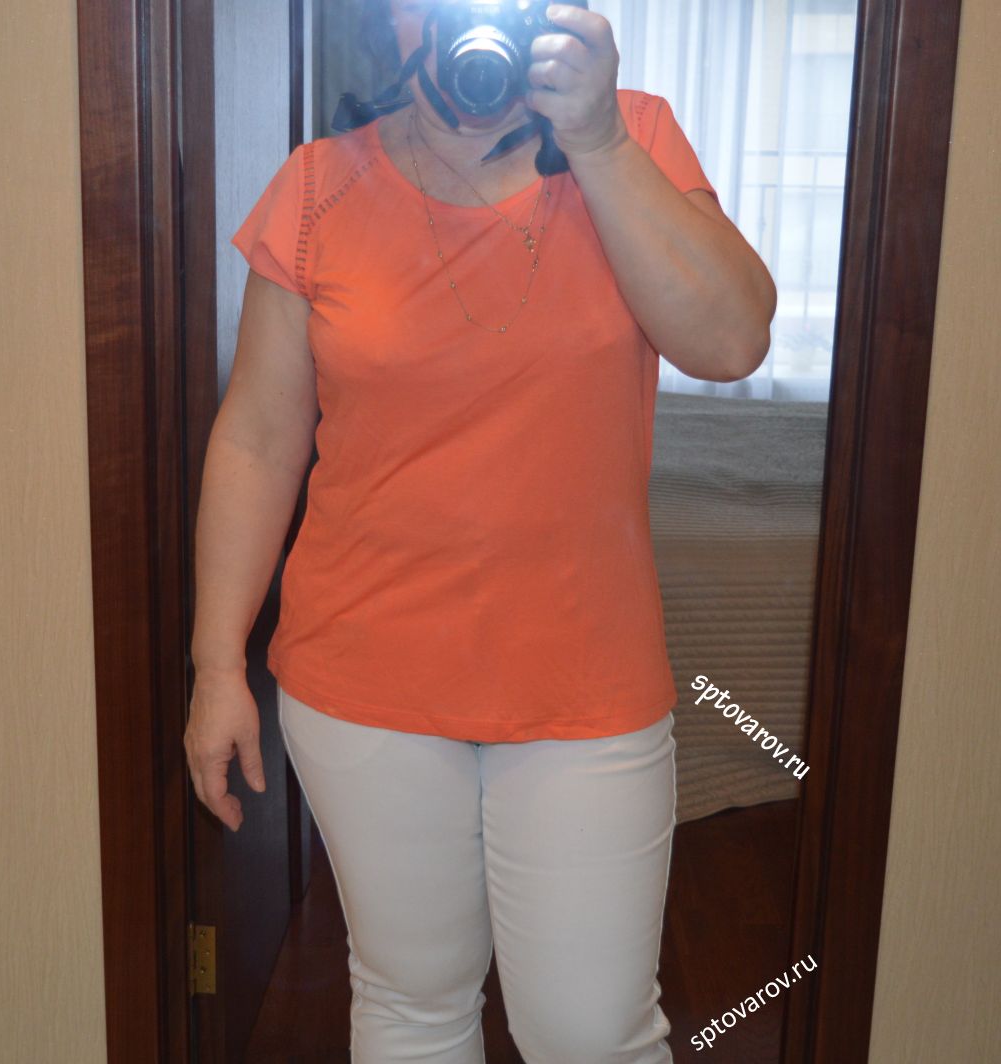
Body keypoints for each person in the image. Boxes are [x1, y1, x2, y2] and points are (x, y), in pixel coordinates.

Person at [186, 2, 776, 1060]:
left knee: (592, 1033)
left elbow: (730, 341)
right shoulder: (319, 186)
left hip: (583, 677)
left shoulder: (632, 134)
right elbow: (259, 439)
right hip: (362, 676)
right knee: (410, 1000)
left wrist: (594, 140)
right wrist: (216, 663)